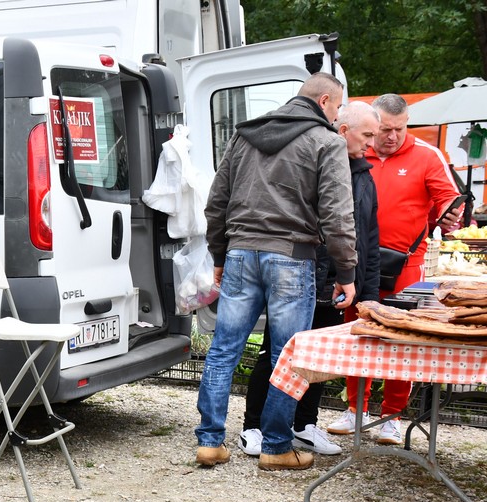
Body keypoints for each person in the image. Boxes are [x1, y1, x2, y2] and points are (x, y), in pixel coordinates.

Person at [195, 72, 357, 472]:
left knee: (223, 349)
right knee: (289, 357)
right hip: (291, 256)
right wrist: (346, 271)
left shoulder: (245, 135)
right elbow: (337, 215)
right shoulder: (327, 141)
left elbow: (216, 203)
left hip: (240, 253)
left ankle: (210, 442)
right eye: (337, 107)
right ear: (324, 101)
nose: (337, 117)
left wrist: (220, 254)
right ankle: (276, 447)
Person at [239, 101, 382, 458]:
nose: (372, 144)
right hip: (297, 275)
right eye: (367, 135)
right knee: (277, 352)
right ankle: (253, 426)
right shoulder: (312, 160)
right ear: (344, 131)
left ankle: (303, 425)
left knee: (320, 358)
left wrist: (368, 289)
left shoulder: (365, 176)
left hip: (339, 282)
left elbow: (369, 237)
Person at [327, 94, 463, 445]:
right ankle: (355, 409)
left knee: (402, 337)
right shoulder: (355, 150)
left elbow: (448, 202)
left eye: (399, 129)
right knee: (359, 332)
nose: (391, 137)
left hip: (407, 264)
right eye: (384, 129)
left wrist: (450, 214)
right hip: (358, 261)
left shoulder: (427, 155)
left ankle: (392, 416)